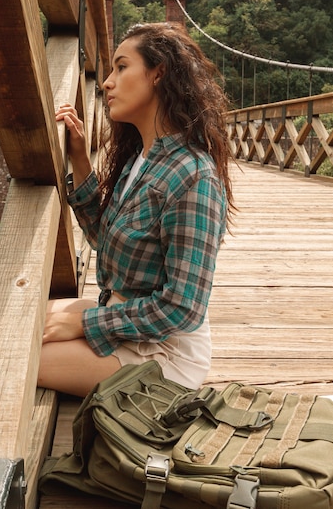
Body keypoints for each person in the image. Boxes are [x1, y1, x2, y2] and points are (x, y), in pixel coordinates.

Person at [38, 21, 234, 397]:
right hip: (123, 322)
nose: (108, 82)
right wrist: (79, 160)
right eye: (109, 70)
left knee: (18, 356)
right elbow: (104, 238)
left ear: (158, 73)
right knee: (16, 320)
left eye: (122, 67)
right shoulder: (141, 160)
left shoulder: (194, 177)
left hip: (163, 353)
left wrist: (86, 322)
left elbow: (182, 308)